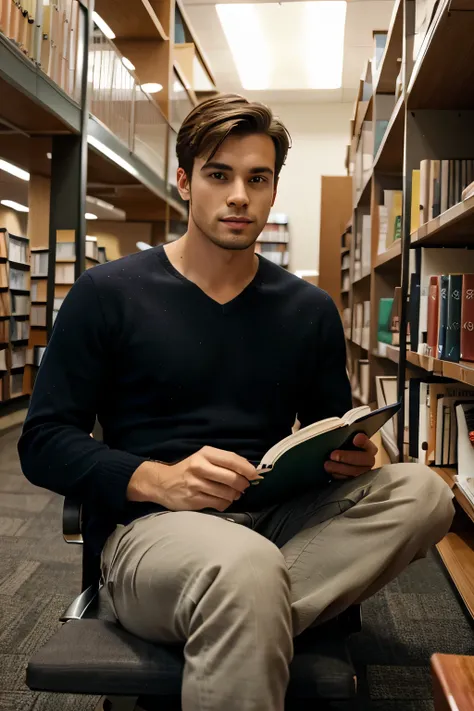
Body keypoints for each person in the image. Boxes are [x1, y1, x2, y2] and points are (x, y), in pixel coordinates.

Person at [18, 94, 454, 711]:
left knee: (424, 493)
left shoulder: (308, 310)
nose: (239, 195)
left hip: (277, 523)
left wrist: (351, 458)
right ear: (184, 181)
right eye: (218, 175)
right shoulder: (107, 294)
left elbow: (336, 429)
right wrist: (155, 478)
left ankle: (232, 615)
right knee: (241, 568)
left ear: (275, 189)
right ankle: (238, 604)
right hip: (154, 531)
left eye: (258, 178)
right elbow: (43, 443)